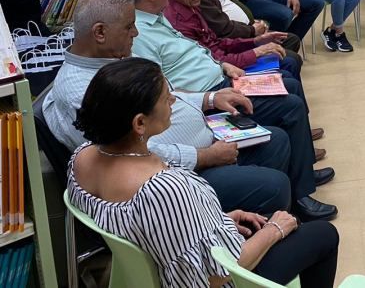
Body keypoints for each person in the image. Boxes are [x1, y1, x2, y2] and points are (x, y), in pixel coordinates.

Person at [68, 58, 339, 288]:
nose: (173, 99)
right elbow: (214, 276)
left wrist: (219, 221)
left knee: (272, 220)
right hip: (222, 277)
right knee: (322, 234)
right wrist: (274, 230)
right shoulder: (162, 188)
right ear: (140, 123)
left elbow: (159, 229)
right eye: (165, 97)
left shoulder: (83, 158)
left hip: (176, 250)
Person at [43, 0, 296, 215]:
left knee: (276, 140)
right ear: (100, 32)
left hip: (199, 149)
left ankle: (269, 222)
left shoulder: (111, 60)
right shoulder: (83, 91)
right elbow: (126, 155)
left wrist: (209, 98)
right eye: (129, 27)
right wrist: (204, 156)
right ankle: (253, 232)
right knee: (275, 186)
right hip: (176, 178)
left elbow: (166, 94)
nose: (136, 33)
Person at [121, 0, 337, 221]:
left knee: (287, 84)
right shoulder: (143, 35)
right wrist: (216, 90)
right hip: (210, 95)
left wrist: (225, 63)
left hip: (220, 79)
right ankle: (300, 195)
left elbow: (203, 48)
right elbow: (164, 90)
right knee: (289, 104)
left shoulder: (160, 18)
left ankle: (301, 172)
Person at [164, 0, 301, 80]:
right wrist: (256, 51)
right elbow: (214, 60)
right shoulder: (180, 22)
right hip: (221, 72)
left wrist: (255, 41)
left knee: (290, 59)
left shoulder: (190, 5)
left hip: (226, 56)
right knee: (289, 66)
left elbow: (217, 42)